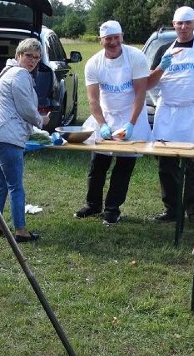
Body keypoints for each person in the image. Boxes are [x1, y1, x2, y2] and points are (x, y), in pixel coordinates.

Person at [147, 6, 194, 229]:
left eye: (187, 22)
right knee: (166, 167)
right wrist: (161, 67)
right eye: (179, 23)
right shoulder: (163, 49)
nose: (183, 27)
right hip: (167, 114)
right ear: (173, 24)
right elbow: (149, 84)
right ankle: (171, 209)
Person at [74, 20, 153, 226]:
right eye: (108, 39)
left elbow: (140, 94)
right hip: (106, 116)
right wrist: (102, 125)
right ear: (101, 41)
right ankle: (93, 205)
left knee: (123, 166)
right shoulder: (93, 63)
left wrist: (131, 124)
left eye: (116, 38)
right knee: (97, 164)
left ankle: (112, 209)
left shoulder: (136, 57)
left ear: (122, 37)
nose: (112, 42)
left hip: (132, 116)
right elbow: (92, 99)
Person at [0, 38, 49, 242]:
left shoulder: (7, 72)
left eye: (36, 58)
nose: (32, 61)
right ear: (19, 55)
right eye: (28, 56)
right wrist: (41, 120)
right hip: (5, 136)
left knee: (0, 183)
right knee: (15, 185)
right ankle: (21, 231)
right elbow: (26, 108)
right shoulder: (19, 74)